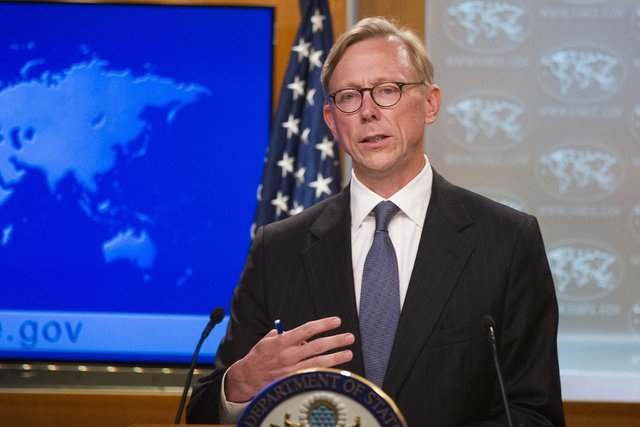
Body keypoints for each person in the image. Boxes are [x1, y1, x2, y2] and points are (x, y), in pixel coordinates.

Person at [187, 16, 565, 426]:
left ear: (430, 103)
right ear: (331, 121)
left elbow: (534, 413)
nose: (368, 111)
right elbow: (206, 409)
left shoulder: (507, 241)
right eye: (349, 97)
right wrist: (240, 383)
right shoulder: (277, 249)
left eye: (388, 90)